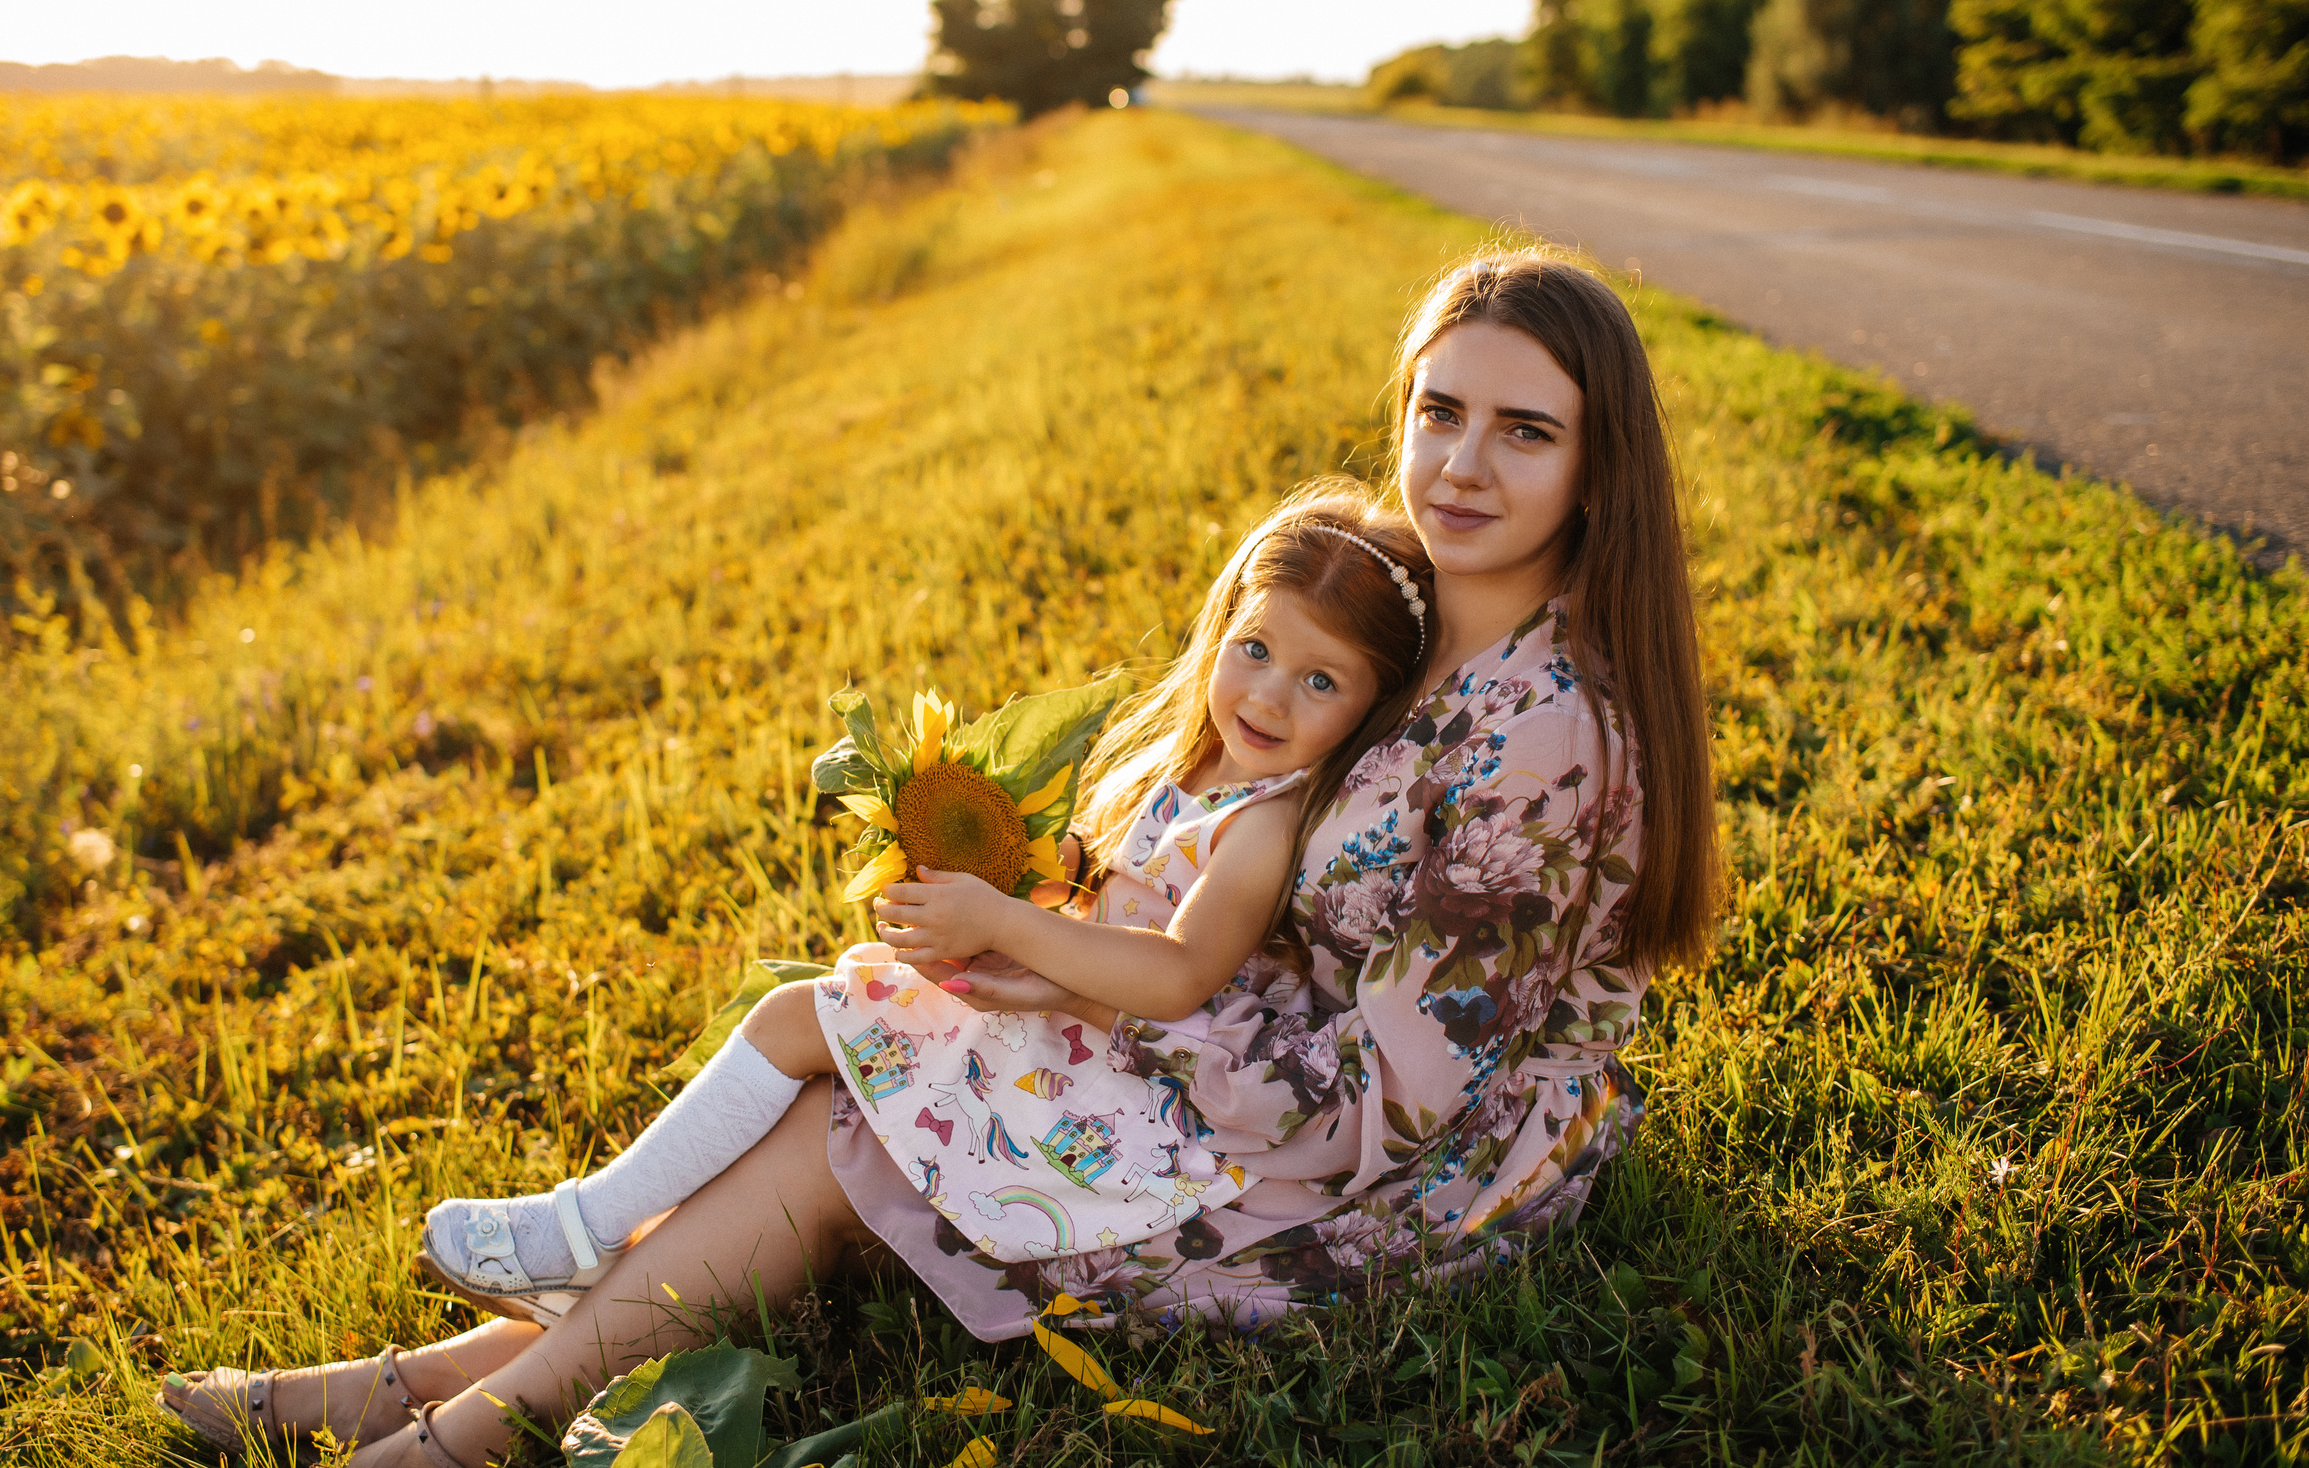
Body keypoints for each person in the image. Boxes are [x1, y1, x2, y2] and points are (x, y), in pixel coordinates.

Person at [155, 246, 1720, 1468]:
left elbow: (1406, 1092)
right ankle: (428, 1390)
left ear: (1597, 463)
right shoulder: (1408, 599)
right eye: (1439, 411)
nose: (1460, 463)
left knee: (871, 1122)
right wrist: (1049, 964)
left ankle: (456, 1424)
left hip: (1394, 1172)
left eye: (1525, 430)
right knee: (881, 1061)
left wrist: (1091, 1021)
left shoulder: (1543, 731)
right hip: (1252, 1042)